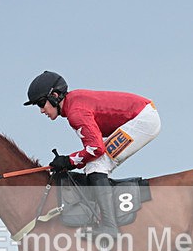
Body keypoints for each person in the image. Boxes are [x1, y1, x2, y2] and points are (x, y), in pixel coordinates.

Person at [23, 71, 161, 238]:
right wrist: (71, 161)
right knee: (93, 164)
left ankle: (109, 227)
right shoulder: (72, 105)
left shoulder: (75, 113)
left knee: (97, 164)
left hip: (143, 120)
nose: (41, 110)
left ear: (55, 95)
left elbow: (96, 149)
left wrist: (68, 160)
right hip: (140, 114)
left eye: (41, 103)